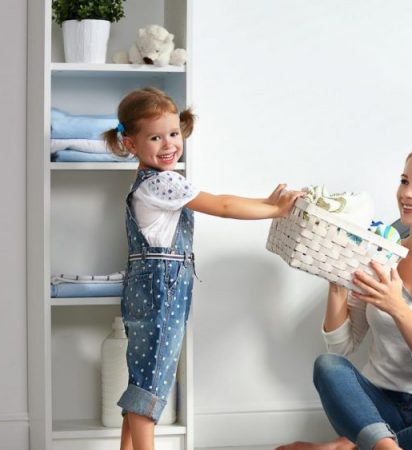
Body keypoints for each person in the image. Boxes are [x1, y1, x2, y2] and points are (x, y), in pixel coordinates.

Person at [101, 87, 303, 450]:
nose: (168, 144)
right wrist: (274, 210)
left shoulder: (150, 181)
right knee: (152, 380)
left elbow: (221, 199)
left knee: (144, 375)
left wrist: (267, 201)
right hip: (161, 290)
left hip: (147, 287)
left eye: (173, 133)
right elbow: (222, 206)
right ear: (131, 144)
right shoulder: (164, 182)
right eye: (155, 138)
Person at [278, 145, 412, 450]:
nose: (406, 193)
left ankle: (355, 445)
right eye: (404, 181)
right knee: (328, 366)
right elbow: (342, 346)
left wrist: (396, 306)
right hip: (376, 403)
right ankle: (380, 445)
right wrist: (337, 283)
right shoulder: (378, 255)